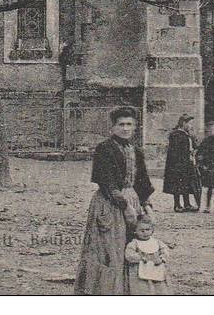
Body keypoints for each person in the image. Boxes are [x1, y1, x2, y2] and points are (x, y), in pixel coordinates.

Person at [75, 106, 154, 295]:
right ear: (113, 127)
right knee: (110, 247)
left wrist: (147, 205)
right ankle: (105, 291)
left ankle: (129, 290)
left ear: (135, 127)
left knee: (131, 243)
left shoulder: (137, 150)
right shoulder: (105, 148)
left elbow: (142, 180)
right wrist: (125, 206)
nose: (125, 129)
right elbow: (106, 181)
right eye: (121, 125)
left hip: (132, 200)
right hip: (110, 203)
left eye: (129, 125)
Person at [124, 215, 172, 295]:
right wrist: (140, 257)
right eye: (141, 230)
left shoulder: (156, 242)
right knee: (143, 289)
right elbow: (129, 254)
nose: (145, 232)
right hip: (141, 271)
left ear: (152, 230)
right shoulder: (134, 243)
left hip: (156, 268)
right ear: (135, 231)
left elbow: (165, 250)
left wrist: (162, 258)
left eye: (147, 229)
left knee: (160, 287)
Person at [163, 114, 201, 213]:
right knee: (177, 184)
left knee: (186, 184)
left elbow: (192, 146)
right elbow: (175, 152)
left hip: (187, 163)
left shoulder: (187, 134)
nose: (191, 126)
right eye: (190, 123)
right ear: (184, 123)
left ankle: (187, 204)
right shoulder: (176, 135)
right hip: (177, 164)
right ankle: (177, 205)